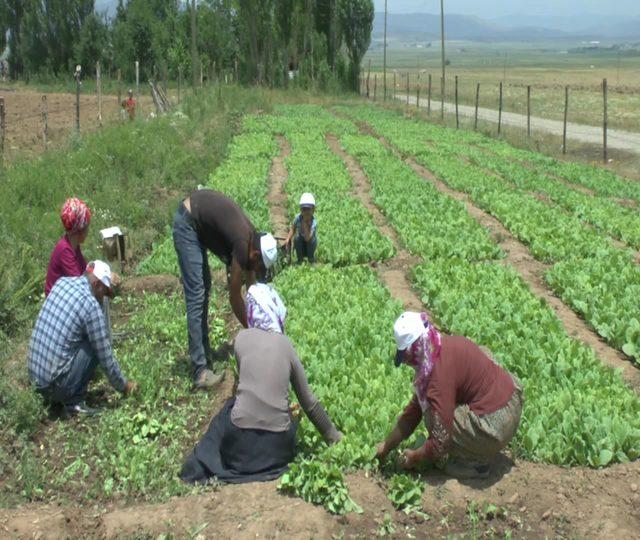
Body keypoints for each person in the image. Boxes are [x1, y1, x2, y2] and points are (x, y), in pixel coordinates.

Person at [180, 283, 341, 484]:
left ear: (251, 312)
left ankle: (200, 465)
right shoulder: (286, 345)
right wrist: (334, 438)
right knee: (289, 414)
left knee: (228, 409)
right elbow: (309, 402)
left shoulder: (241, 339)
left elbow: (247, 388)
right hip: (278, 453)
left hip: (239, 450)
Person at [376, 312, 524, 479]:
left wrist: (416, 456)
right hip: (512, 401)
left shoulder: (437, 376)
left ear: (417, 348)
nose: (404, 361)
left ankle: (476, 464)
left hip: (496, 426)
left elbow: (441, 440)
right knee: (479, 356)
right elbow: (413, 411)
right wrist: (386, 447)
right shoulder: (440, 346)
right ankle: (482, 443)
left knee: (434, 417)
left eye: (406, 355)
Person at [172, 189, 278, 389]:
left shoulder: (253, 240)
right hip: (188, 223)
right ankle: (200, 371)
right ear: (256, 255)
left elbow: (252, 288)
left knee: (204, 287)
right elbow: (235, 296)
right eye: (259, 266)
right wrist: (254, 332)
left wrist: (261, 323)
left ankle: (205, 352)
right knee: (197, 294)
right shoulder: (242, 243)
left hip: (197, 221)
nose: (258, 270)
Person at [28, 261, 137, 416]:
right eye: (105, 292)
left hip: (35, 381)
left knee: (83, 335)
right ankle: (74, 403)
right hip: (53, 388)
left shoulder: (62, 282)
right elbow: (105, 356)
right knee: (97, 342)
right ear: (98, 285)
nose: (104, 298)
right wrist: (124, 386)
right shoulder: (90, 304)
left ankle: (70, 389)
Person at [45, 198, 91, 296]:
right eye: (87, 228)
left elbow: (85, 269)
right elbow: (79, 283)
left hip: (66, 294)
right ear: (80, 231)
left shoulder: (74, 246)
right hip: (57, 301)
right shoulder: (65, 251)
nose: (88, 232)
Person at [285, 193, 317, 264]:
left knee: (312, 241)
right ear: (300, 209)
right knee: (297, 238)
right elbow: (293, 228)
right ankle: (300, 259)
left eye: (308, 209)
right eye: (304, 209)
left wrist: (305, 223)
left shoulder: (313, 222)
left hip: (309, 244)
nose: (306, 212)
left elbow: (308, 238)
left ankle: (311, 259)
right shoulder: (298, 218)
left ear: (313, 210)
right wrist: (288, 238)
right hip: (300, 242)